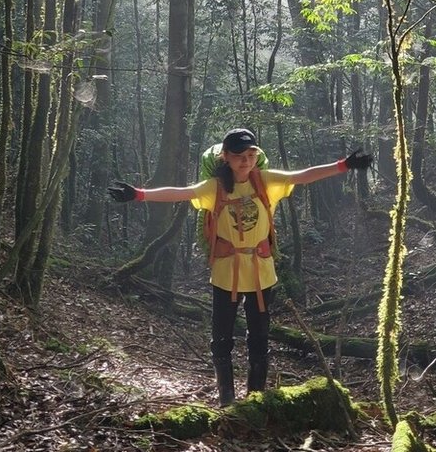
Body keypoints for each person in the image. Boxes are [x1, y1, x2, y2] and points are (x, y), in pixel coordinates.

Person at [108, 127, 372, 407]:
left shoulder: (266, 181)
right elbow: (180, 194)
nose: (245, 161)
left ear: (257, 156)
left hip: (261, 273)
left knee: (259, 337)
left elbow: (303, 175)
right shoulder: (215, 188)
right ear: (225, 158)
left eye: (250, 155)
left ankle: (255, 400)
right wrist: (138, 194)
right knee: (221, 339)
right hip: (225, 274)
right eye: (238, 156)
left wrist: (344, 165)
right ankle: (226, 400)